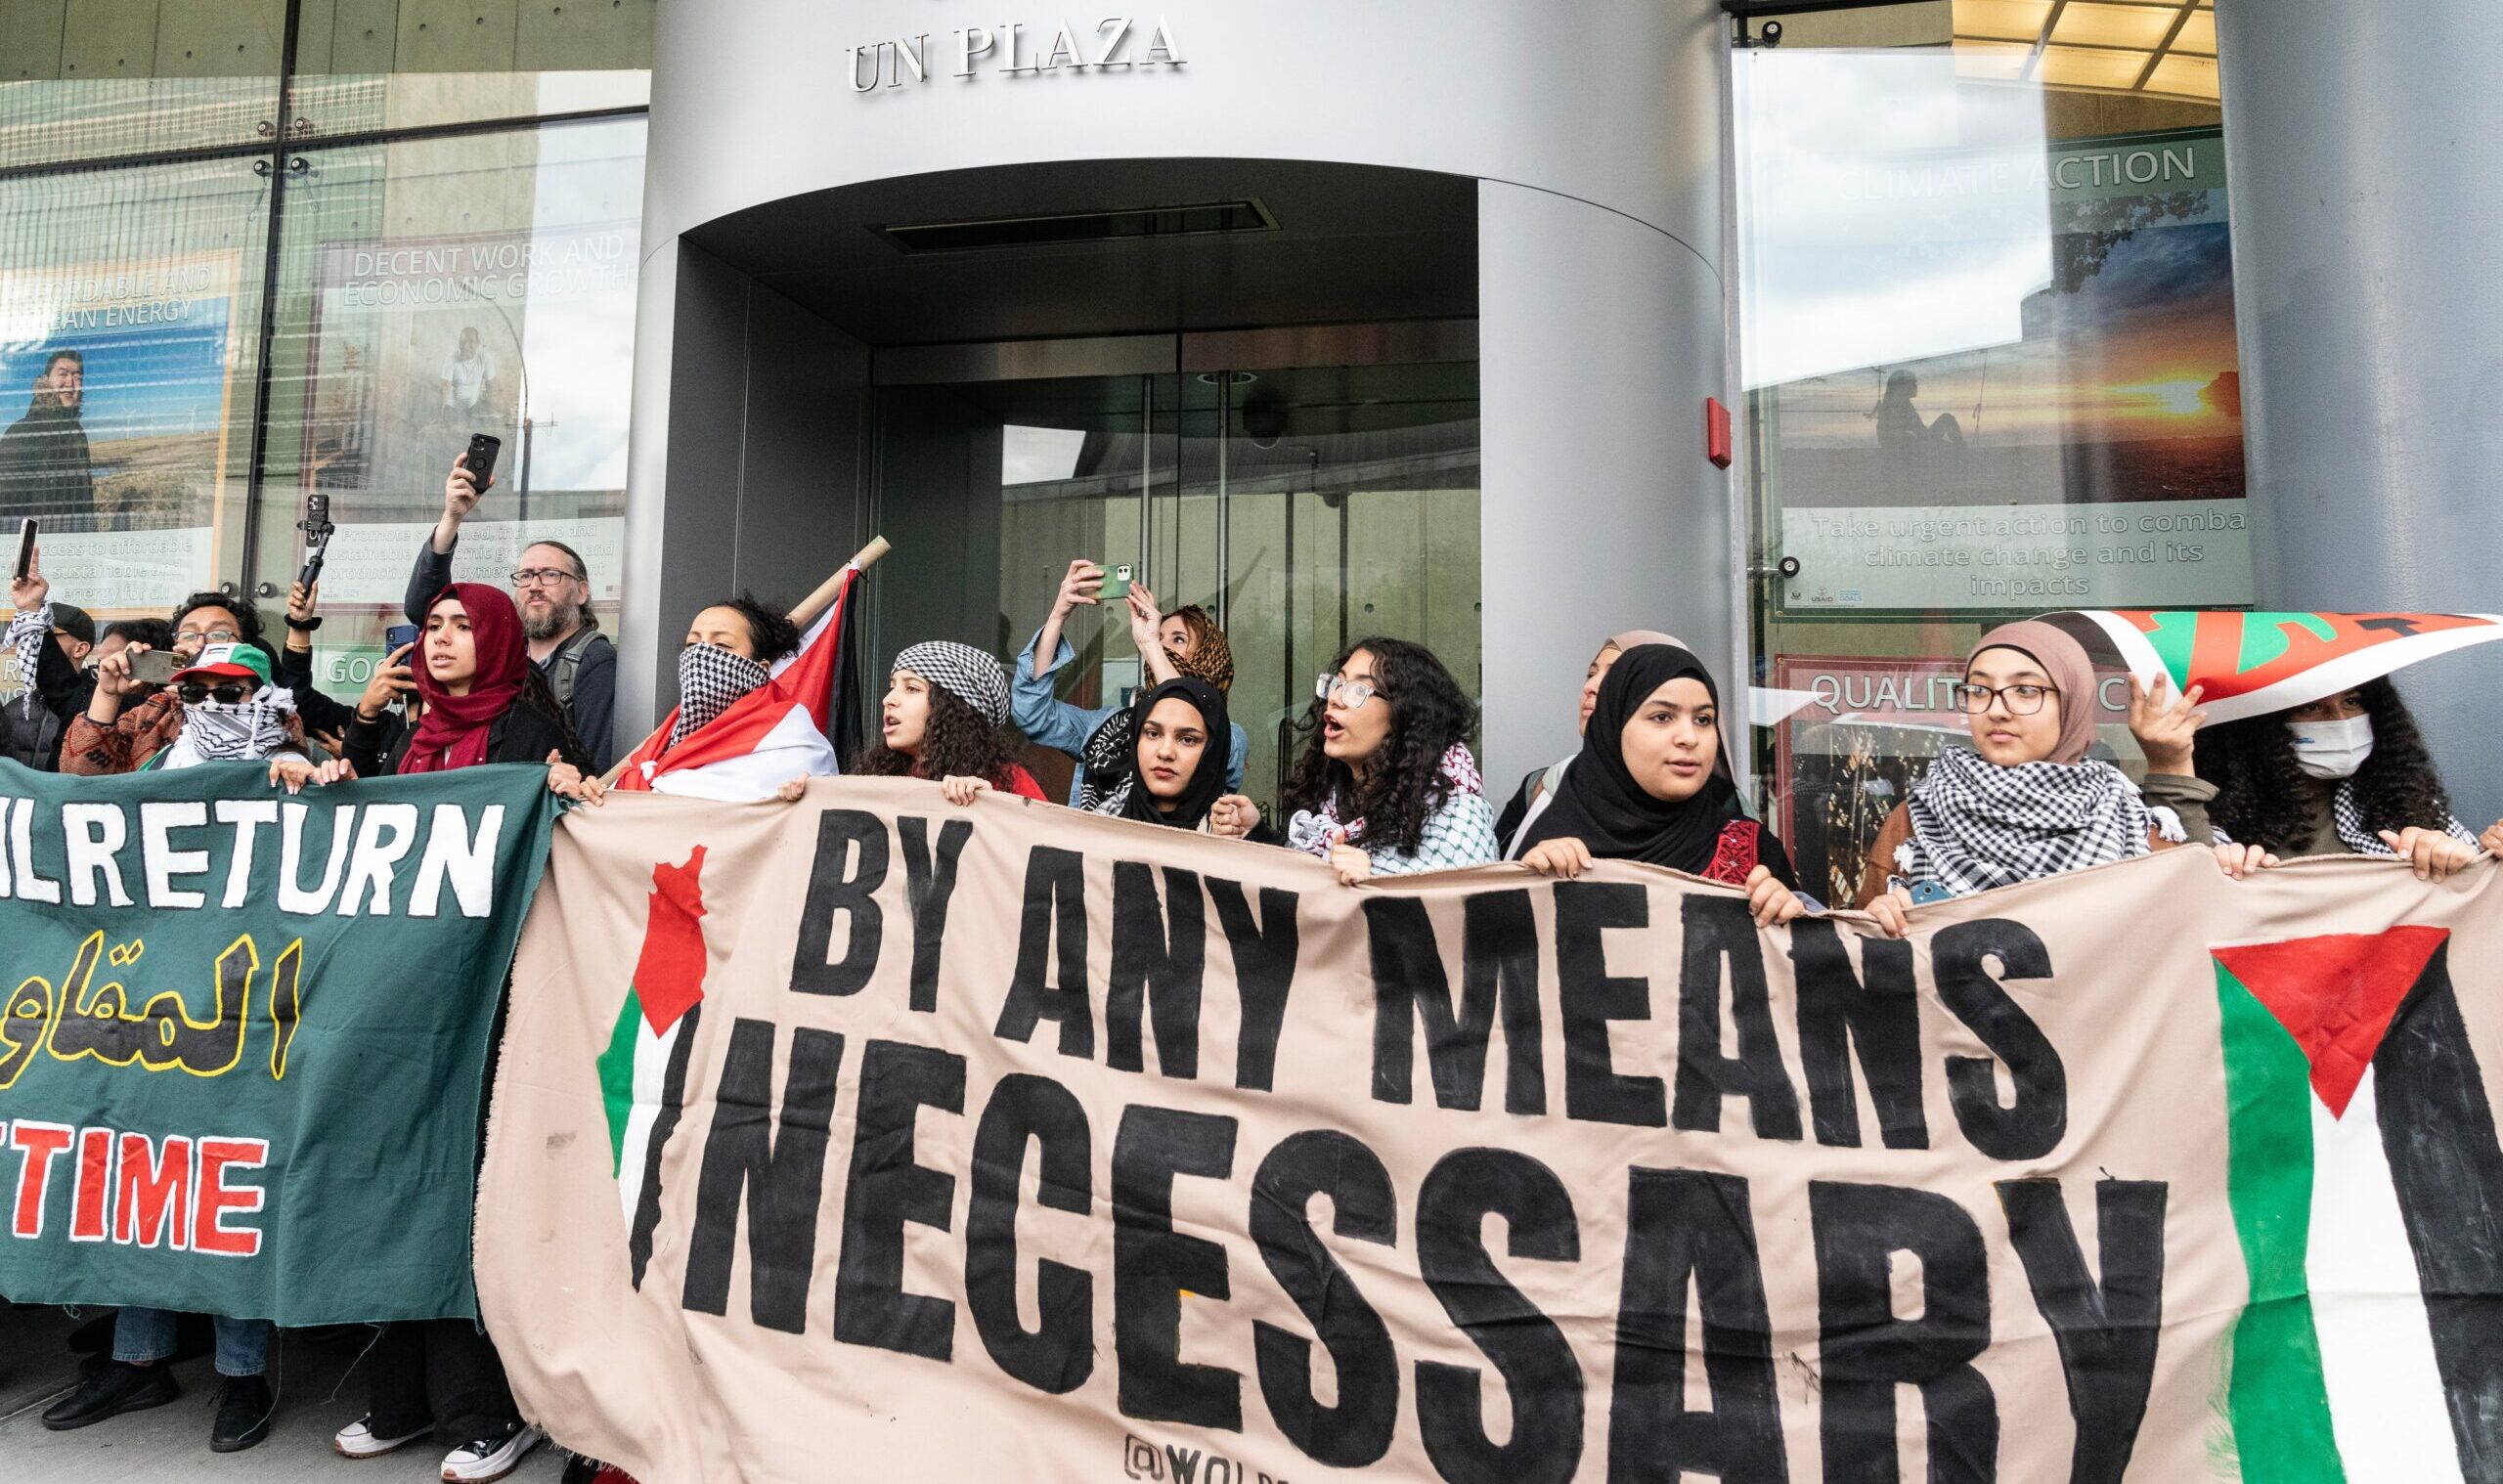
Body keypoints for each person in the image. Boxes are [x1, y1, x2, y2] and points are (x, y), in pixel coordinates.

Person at [308, 584, 583, 1480]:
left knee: (461, 1203)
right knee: (391, 1193)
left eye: (465, 625)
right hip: (390, 1006)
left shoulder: (530, 737)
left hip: (480, 1013)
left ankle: (489, 1411)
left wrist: (567, 799)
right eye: (435, 626)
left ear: (501, 640)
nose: (447, 637)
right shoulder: (397, 735)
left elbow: (561, 853)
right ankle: (402, 1400)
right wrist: (331, 771)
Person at [37, 638, 319, 1454]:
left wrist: (314, 778)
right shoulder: (158, 766)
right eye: (198, 688)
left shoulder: (300, 766)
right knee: (142, 1182)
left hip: (247, 1016)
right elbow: (77, 806)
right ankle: (138, 1360)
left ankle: (241, 1375)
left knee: (229, 1190)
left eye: (233, 689)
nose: (213, 702)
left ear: (265, 694)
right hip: (149, 1009)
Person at [1855, 621, 2214, 936]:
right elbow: (1863, 966)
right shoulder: (1919, 817)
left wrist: (2173, 764)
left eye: (2026, 690)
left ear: (2072, 702)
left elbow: (2198, 928)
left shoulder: (2128, 820)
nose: (1996, 710)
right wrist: (1875, 924)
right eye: (1979, 690)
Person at [1515, 643, 1808, 926]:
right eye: (1662, 717)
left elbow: (1801, 968)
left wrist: (1790, 917)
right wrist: (1522, 889)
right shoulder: (1552, 846)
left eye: (1703, 719)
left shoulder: (1755, 853)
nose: (1689, 737)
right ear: (1613, 728)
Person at [408, 455, 615, 769]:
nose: (534, 585)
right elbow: (425, 607)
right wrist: (451, 519)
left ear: (582, 591)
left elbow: (595, 770)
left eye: (550, 575)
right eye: (526, 576)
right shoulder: (507, 660)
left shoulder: (594, 662)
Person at [2200, 677, 2482, 883]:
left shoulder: (2409, 803)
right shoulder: (2223, 815)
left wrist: (2460, 860)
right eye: (2311, 707)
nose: (2339, 719)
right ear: (2264, 722)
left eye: (2351, 701)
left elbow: (2472, 895)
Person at [1015, 558, 1249, 806]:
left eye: (1178, 639)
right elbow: (1033, 713)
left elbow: (1193, 723)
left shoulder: (1229, 736)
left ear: (1210, 657)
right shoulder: (1108, 726)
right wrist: (1057, 616)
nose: (1162, 644)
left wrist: (1151, 645)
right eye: (1159, 636)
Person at [1281, 637, 1501, 884]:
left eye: (1358, 690)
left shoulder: (1457, 816)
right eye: (1338, 683)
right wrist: (1256, 833)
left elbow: (1464, 910)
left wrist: (1373, 886)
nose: (1335, 698)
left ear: (1405, 714)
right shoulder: (1330, 797)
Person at [63, 594, 310, 774]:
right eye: (189, 634)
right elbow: (81, 779)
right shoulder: (154, 712)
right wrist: (107, 695)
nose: (201, 643)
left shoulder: (270, 714)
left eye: (218, 634)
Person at [1494, 627, 1681, 856]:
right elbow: (1496, 880)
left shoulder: (1719, 813)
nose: (1590, 687)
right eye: (1591, 674)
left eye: (1613, 676)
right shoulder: (1543, 786)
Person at [853, 640, 1048, 804]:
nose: (888, 700)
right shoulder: (878, 778)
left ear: (954, 708)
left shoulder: (1009, 781)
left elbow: (1046, 842)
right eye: (892, 687)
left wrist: (993, 805)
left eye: (912, 688)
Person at [1082, 675, 1266, 837]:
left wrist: (1255, 837)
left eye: (1187, 739)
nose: (1165, 752)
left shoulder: (1234, 830)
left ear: (1213, 752)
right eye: (1153, 734)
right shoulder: (1099, 827)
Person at [3, 546, 92, 768]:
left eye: (50, 634)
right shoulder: (15, 708)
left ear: (81, 649)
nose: (40, 641)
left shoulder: (94, 707)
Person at [0, 348, 92, 519]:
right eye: (63, 374)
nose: (70, 383)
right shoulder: (22, 433)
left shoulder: (78, 435)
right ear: (46, 380)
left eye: (77, 377)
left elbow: (86, 503)